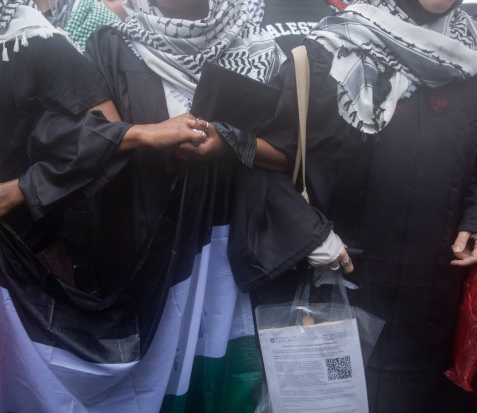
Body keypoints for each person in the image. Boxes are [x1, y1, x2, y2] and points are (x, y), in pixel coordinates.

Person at [0, 0, 213, 410]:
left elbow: (105, 139)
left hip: (34, 266)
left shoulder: (35, 41)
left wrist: (13, 192)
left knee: (41, 392)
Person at [70, 0, 354, 410]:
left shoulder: (268, 48)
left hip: (241, 253)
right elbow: (92, 142)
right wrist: (151, 136)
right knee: (159, 384)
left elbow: (297, 153)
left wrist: (229, 145)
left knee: (235, 379)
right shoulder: (113, 47)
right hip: (151, 257)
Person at [265, 0, 477, 411]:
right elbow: (264, 164)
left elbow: (472, 163)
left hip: (430, 308)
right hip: (342, 289)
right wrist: (310, 235)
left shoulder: (472, 60)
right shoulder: (328, 50)